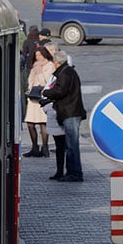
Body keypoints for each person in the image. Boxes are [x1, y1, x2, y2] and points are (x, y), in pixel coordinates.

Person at [41, 50, 87, 182]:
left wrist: (46, 92)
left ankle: (75, 173)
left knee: (72, 145)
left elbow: (60, 91)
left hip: (70, 113)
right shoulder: (67, 71)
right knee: (70, 145)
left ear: (57, 62)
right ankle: (71, 172)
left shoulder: (65, 73)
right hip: (69, 112)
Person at [23, 46, 54, 158]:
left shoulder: (50, 65)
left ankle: (45, 147)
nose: (38, 57)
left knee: (42, 122)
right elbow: (30, 80)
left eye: (40, 55)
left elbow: (47, 81)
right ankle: (34, 147)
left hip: (42, 96)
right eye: (36, 55)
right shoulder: (35, 66)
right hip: (33, 97)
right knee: (30, 123)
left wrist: (40, 72)